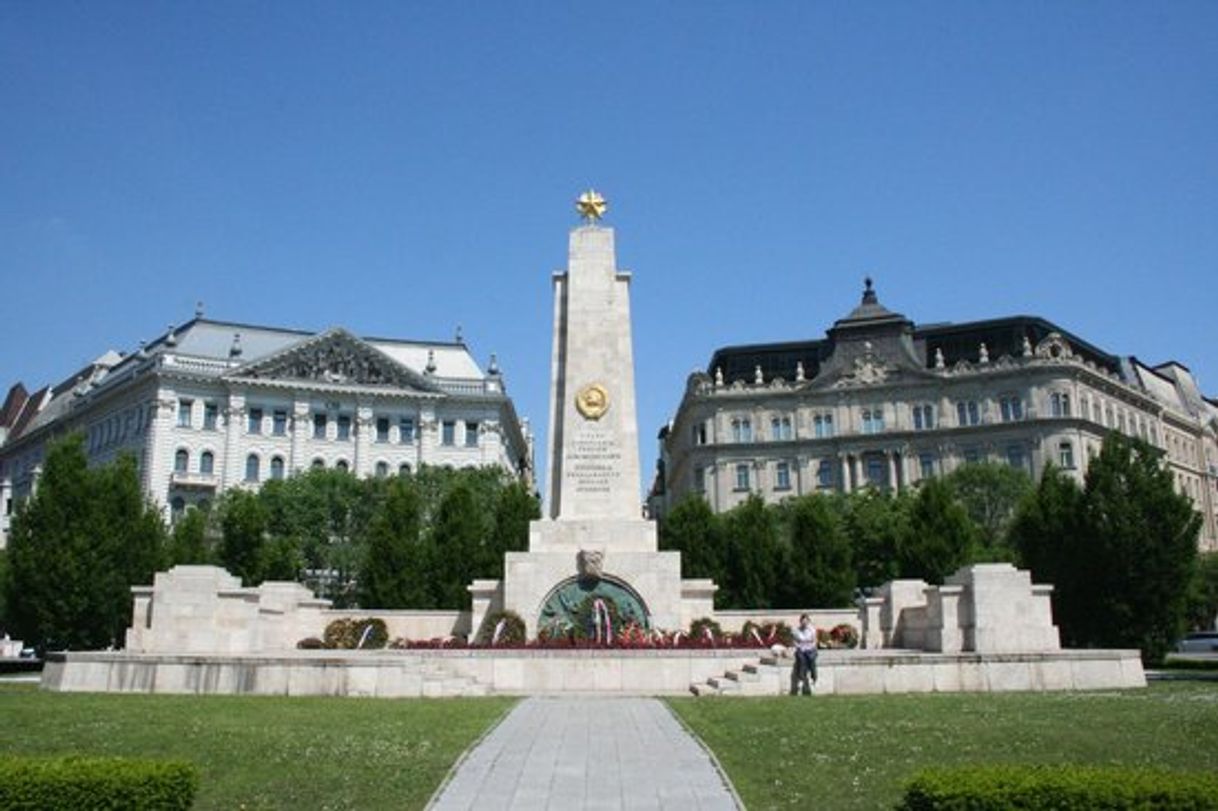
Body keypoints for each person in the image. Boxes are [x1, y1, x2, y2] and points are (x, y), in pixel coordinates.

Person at [790, 614, 818, 696]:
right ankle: (802, 680)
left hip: (811, 649)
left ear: (808, 621)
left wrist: (809, 647)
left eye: (806, 621)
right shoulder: (796, 631)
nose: (804, 623)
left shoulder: (812, 630)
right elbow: (795, 642)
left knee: (812, 660)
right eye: (803, 621)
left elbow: (814, 642)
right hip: (801, 650)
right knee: (802, 661)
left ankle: (813, 678)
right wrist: (800, 647)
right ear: (800, 622)